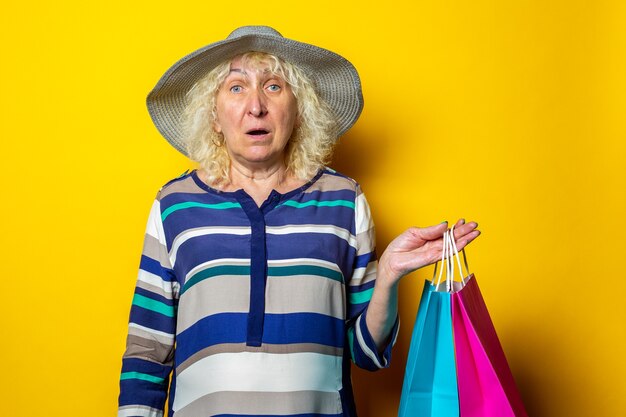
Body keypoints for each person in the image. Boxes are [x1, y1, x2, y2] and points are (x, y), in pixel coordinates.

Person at [118, 26, 480, 417]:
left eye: (273, 87)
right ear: (214, 115)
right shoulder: (174, 205)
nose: (256, 106)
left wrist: (389, 274)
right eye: (236, 88)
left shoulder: (343, 199)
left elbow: (367, 354)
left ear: (298, 109)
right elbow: (147, 352)